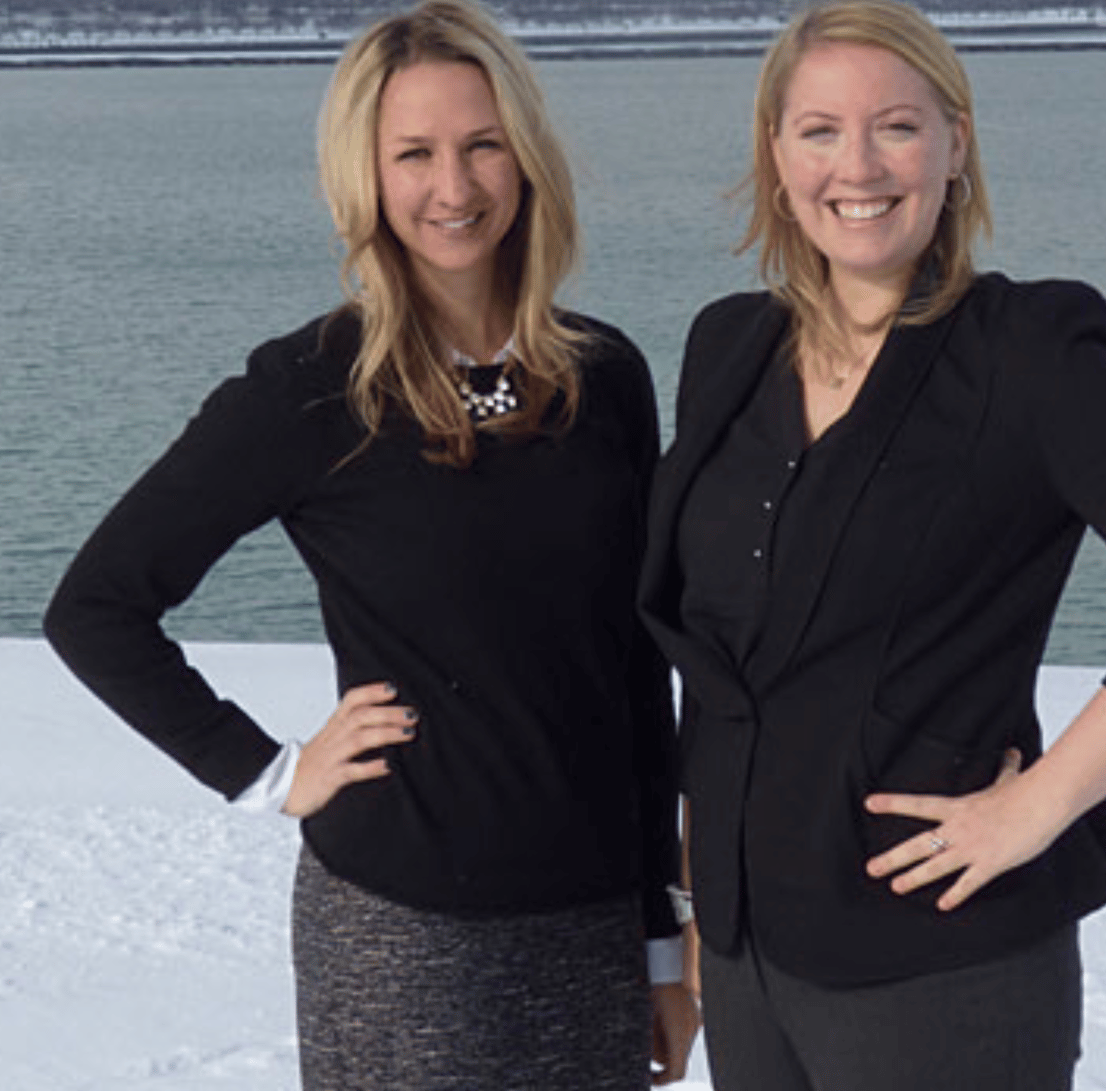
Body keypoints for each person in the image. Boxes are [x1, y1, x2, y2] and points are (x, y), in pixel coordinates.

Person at [44, 2, 695, 1085]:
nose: (456, 186)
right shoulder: (311, 388)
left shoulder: (604, 374)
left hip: (588, 925)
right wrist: (268, 768)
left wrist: (662, 939)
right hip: (405, 932)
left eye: (483, 144)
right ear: (367, 173)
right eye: (416, 153)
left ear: (527, 156)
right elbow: (97, 606)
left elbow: (633, 675)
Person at [635, 1, 1106, 1088]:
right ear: (777, 154)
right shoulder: (727, 346)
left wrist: (1040, 803)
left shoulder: (1031, 350)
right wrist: (692, 921)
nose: (859, 164)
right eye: (820, 129)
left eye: (897, 125)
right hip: (748, 956)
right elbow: (720, 672)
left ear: (955, 146)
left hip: (941, 965)